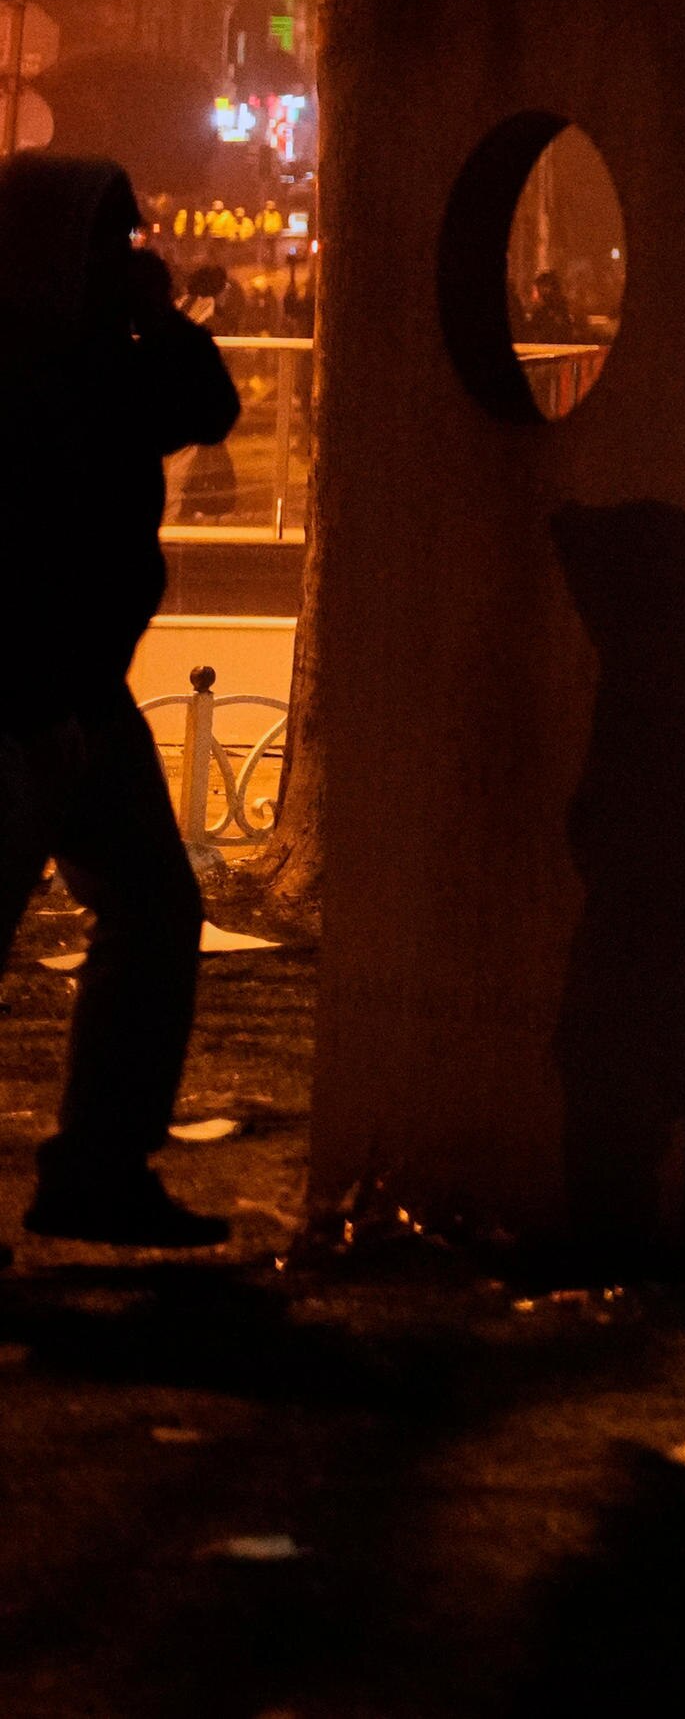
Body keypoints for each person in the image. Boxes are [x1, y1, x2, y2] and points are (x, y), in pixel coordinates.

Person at [0, 152, 246, 1248]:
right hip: (15, 700)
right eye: (106, 242)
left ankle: (98, 1170)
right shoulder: (27, 369)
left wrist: (157, 316)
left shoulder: (100, 354)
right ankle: (94, 1171)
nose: (124, 261)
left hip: (82, 697)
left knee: (155, 909)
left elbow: (208, 401)